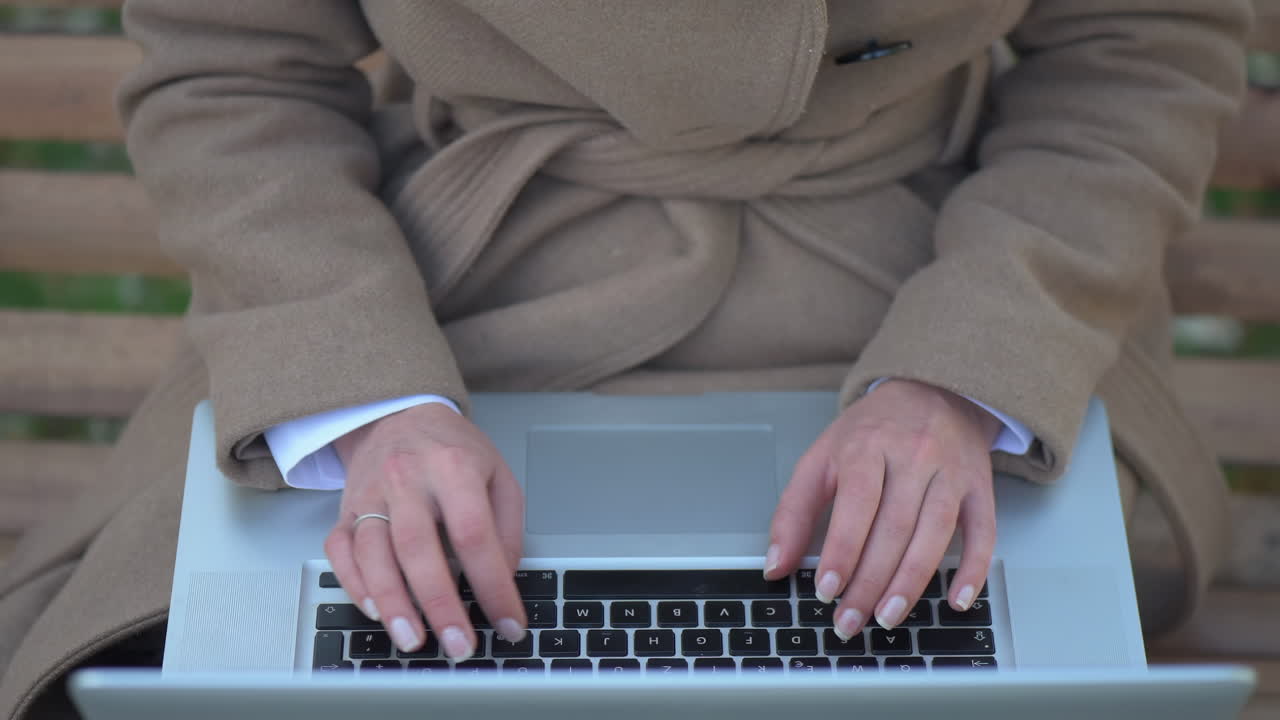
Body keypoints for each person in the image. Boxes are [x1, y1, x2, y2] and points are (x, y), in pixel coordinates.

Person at [0, 0, 1252, 717]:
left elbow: (1139, 44)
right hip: (458, 309)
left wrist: (966, 377)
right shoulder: (385, 374)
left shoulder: (963, 356)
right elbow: (229, 64)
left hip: (925, 291)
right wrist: (368, 403)